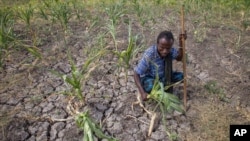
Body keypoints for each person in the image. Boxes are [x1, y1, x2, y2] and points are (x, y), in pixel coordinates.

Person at [134, 30, 187, 101]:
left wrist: (181, 42)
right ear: (157, 44)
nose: (165, 51)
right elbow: (136, 73)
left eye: (168, 48)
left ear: (171, 46)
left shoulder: (170, 51)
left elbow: (179, 58)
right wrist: (142, 92)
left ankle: (164, 85)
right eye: (162, 47)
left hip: (164, 76)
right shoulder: (150, 54)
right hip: (151, 78)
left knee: (182, 77)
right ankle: (161, 87)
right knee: (150, 86)